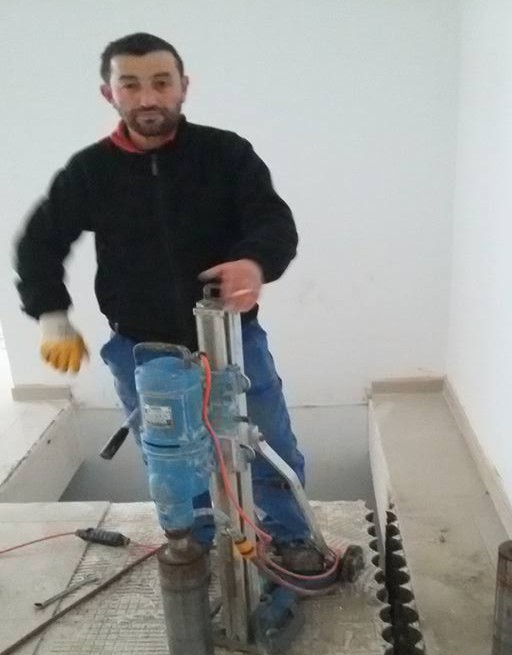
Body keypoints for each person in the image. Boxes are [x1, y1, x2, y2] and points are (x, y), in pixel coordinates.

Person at [15, 32, 323, 574]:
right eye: (130, 85)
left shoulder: (225, 154)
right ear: (109, 93)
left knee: (266, 443)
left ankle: (292, 536)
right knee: (173, 457)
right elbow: (40, 240)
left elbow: (273, 222)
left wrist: (254, 263)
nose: (148, 97)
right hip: (140, 350)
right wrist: (51, 314)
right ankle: (194, 539)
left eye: (161, 83)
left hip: (232, 340)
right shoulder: (91, 171)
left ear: (183, 86)